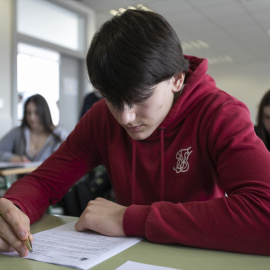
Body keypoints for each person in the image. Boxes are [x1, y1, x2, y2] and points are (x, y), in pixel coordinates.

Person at [1, 9, 270, 258]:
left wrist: (129, 218)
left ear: (176, 79)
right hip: (125, 257)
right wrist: (12, 209)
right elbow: (45, 182)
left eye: (141, 98)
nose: (125, 117)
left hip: (199, 255)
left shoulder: (220, 113)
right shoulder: (102, 117)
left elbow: (264, 212)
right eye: (112, 100)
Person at [0, 94, 69, 163]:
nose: (32, 117)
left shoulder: (59, 134)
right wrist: (12, 158)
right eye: (28, 112)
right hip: (25, 174)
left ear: (44, 113)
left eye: (36, 113)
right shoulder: (18, 132)